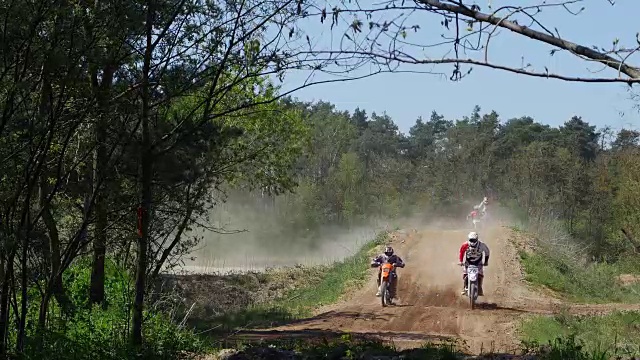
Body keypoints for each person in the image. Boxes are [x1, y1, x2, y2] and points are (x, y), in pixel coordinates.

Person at [458, 231, 490, 296]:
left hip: (478, 263)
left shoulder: (482, 245)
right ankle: (465, 287)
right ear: (469, 239)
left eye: (474, 240)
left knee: (480, 275)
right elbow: (461, 253)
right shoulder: (465, 245)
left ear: (477, 239)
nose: (472, 242)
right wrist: (461, 261)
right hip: (468, 263)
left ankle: (480, 288)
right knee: (465, 274)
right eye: (471, 240)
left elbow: (487, 252)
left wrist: (486, 261)